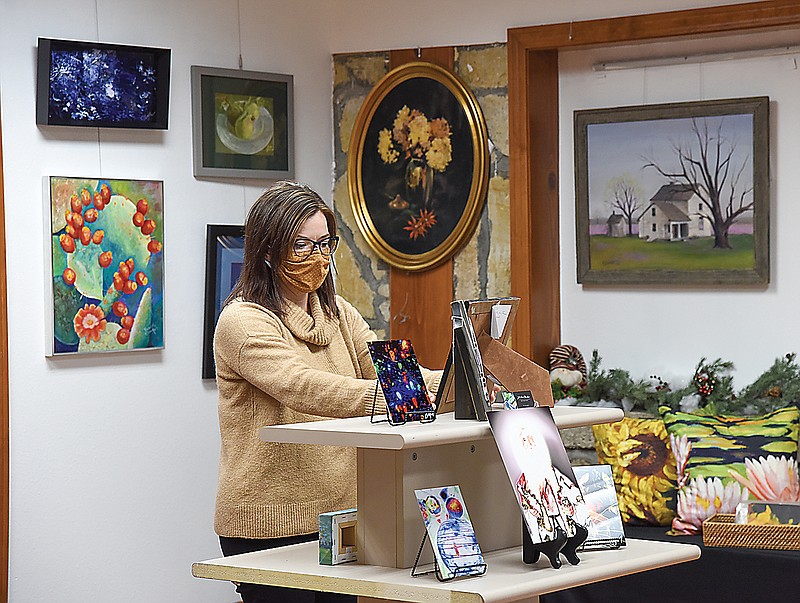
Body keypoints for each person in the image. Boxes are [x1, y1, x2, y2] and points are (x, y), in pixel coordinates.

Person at [213, 181, 441, 603]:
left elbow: (393, 370)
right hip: (268, 524)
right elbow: (305, 387)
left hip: (341, 516)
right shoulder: (242, 322)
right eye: (302, 245)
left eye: (325, 244)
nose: (317, 258)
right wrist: (397, 397)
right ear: (267, 250)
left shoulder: (341, 313)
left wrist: (453, 381)